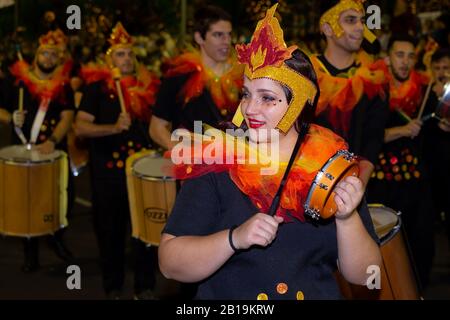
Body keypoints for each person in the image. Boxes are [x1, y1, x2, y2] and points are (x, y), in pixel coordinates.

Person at [158, 5, 381, 300]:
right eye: (247, 94)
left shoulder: (330, 166)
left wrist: (347, 218)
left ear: (298, 105)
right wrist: (233, 239)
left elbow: (368, 277)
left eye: (268, 98)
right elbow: (170, 264)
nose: (250, 109)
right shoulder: (217, 162)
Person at [75, 22, 160, 300]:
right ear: (109, 58)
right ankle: (112, 286)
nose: (125, 59)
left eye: (129, 53)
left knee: (143, 231)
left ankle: (145, 286)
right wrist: (113, 126)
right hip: (108, 175)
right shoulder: (97, 89)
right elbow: (80, 128)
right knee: (110, 232)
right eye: (119, 54)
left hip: (140, 172)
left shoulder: (148, 86)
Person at [0, 29, 75, 272]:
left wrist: (53, 140)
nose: (49, 58)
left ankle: (56, 238)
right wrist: (10, 118)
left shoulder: (63, 85)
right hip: (24, 152)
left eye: (54, 55)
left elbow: (67, 116)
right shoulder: (17, 81)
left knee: (60, 197)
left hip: (52, 151)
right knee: (27, 200)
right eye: (45, 53)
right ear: (36, 56)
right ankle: (29, 252)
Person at [367, 34, 434, 291]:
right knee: (385, 243)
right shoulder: (374, 89)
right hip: (382, 181)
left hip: (415, 179)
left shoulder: (423, 88)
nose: (405, 62)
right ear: (388, 58)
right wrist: (402, 130)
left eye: (410, 56)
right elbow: (366, 136)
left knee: (421, 241)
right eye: (399, 55)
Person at [311, 0, 390, 186]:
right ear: (327, 28)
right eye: (350, 20)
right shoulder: (306, 74)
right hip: (307, 182)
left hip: (354, 184)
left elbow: (373, 138)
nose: (360, 27)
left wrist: (356, 187)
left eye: (362, 20)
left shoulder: (373, 79)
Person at [150, 5, 242, 150]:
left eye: (229, 34)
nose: (226, 41)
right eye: (218, 35)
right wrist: (179, 152)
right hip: (192, 167)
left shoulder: (241, 76)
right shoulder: (179, 76)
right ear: (199, 37)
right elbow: (156, 127)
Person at [422, 48, 450, 244]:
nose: (442, 72)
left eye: (446, 67)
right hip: (432, 165)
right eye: (437, 68)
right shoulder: (424, 93)